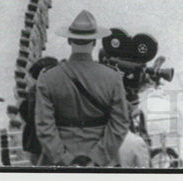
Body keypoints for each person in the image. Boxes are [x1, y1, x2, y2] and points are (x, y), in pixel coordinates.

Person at [34, 10, 129, 167]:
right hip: (102, 160)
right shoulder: (113, 77)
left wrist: (64, 158)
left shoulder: (48, 77)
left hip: (59, 161)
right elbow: (120, 124)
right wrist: (97, 158)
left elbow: (44, 126)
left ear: (69, 41)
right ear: (94, 42)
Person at [19, 56, 59, 165]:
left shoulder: (35, 90)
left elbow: (26, 113)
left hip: (37, 142)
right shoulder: (45, 90)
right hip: (45, 143)